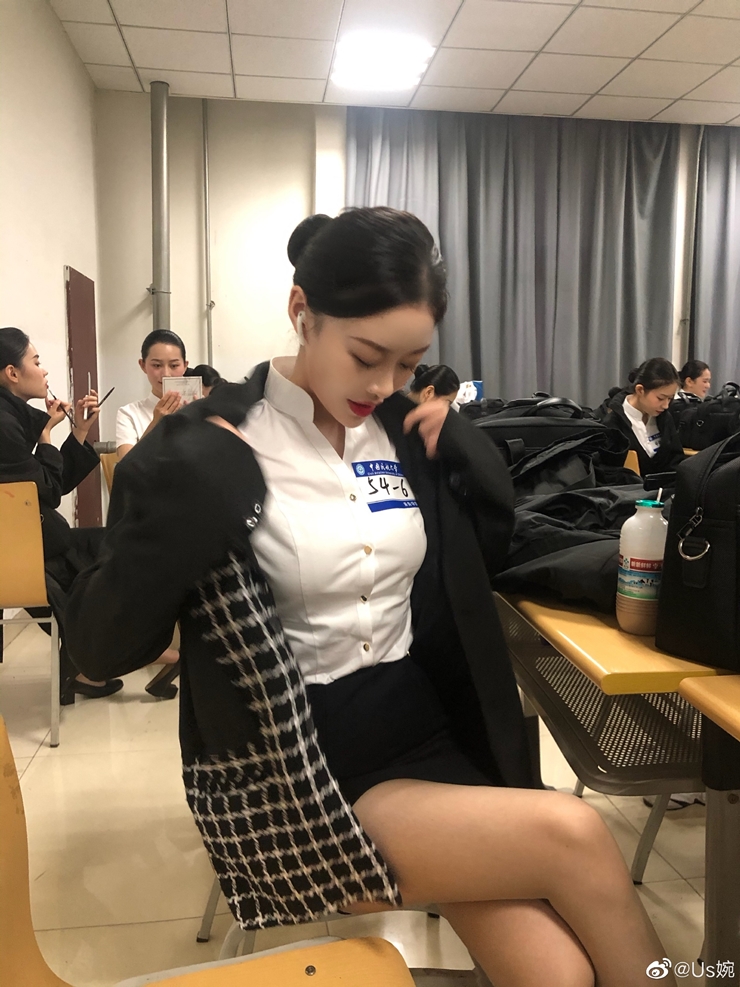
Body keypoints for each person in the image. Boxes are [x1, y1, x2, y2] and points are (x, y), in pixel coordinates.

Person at [67, 208, 675, 987]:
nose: (385, 383)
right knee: (576, 832)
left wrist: (470, 451)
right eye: (365, 356)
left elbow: (480, 564)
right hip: (302, 770)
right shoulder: (211, 442)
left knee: (555, 973)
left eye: (409, 361)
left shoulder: (402, 429)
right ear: (302, 312)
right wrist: (193, 503)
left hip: (422, 730)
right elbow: (99, 645)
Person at [0, 327, 122, 704]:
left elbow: (51, 485)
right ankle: (98, 656)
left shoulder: (12, 418)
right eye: (36, 362)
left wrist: (79, 431)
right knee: (114, 547)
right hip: (22, 558)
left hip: (31, 545)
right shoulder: (5, 425)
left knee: (112, 542)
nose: (45, 371)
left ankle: (89, 658)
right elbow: (49, 492)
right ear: (12, 373)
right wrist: (46, 436)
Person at [595, 358, 685, 475]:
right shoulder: (613, 423)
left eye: (670, 398)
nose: (666, 405)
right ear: (640, 390)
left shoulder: (664, 418)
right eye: (661, 398)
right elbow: (608, 473)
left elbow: (676, 460)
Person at [115, 329, 188, 460]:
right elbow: (125, 466)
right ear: (143, 365)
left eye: (174, 365)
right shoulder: (129, 413)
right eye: (157, 365)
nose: (166, 374)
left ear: (185, 366)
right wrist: (156, 423)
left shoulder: (201, 409)